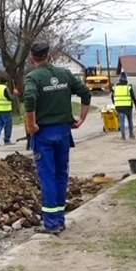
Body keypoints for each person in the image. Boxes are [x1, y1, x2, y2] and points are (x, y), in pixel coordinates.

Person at [24, 41, 92, 234]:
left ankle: (52, 223)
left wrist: (32, 124)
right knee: (61, 174)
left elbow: (29, 99)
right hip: (63, 132)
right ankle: (59, 218)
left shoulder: (33, 78)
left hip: (43, 133)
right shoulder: (65, 74)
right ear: (49, 57)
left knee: (47, 176)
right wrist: (81, 118)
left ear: (32, 59)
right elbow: (86, 94)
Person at [111, 73, 136, 140]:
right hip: (128, 107)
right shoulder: (128, 87)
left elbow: (112, 97)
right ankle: (131, 134)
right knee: (130, 120)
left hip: (119, 107)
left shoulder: (115, 87)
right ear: (126, 79)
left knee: (121, 121)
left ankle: (123, 136)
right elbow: (133, 97)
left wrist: (115, 103)